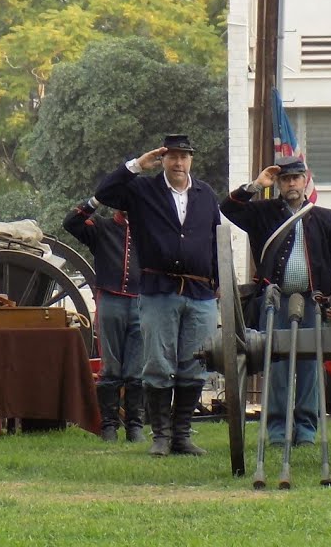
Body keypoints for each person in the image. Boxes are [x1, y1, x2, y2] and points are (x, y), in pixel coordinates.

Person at [95, 134, 221, 457]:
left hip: (199, 291)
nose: (178, 163)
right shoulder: (142, 191)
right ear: (163, 159)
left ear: (192, 159)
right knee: (158, 363)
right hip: (158, 291)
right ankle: (161, 436)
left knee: (195, 363)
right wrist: (137, 165)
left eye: (184, 156)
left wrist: (219, 282)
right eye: (172, 157)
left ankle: (182, 435)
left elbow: (216, 241)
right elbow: (104, 193)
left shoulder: (206, 194)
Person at [220, 156, 331, 448]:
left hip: (312, 300)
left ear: (305, 180)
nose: (291, 183)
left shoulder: (324, 216)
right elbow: (227, 208)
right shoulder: (263, 213)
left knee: (309, 369)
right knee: (276, 367)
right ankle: (278, 431)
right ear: (278, 183)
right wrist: (255, 185)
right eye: (285, 179)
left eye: (296, 178)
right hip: (274, 301)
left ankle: (305, 430)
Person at [62, 197, 143, 443]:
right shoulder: (101, 227)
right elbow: (71, 222)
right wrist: (96, 200)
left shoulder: (148, 230)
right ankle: (109, 426)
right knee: (111, 367)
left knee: (135, 370)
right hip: (110, 301)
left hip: (141, 302)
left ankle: (135, 427)